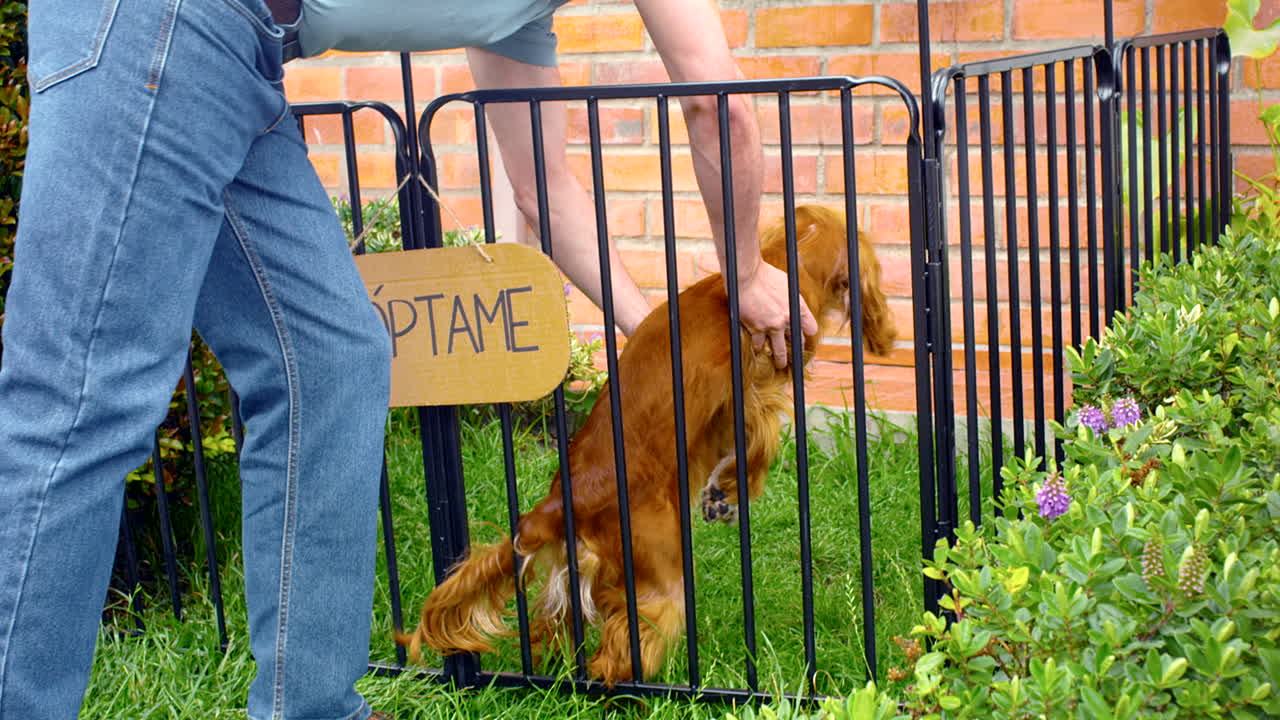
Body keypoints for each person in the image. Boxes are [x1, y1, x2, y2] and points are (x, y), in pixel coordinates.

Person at [0, 1, 395, 719]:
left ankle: (309, 709)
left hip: (243, 50)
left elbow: (539, 182)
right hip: (158, 20)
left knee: (332, 360)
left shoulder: (531, 20)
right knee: (83, 394)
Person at [293, 0, 819, 365]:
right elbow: (718, 105)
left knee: (325, 363)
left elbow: (542, 191)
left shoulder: (514, 16)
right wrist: (746, 274)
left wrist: (656, 340)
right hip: (223, 32)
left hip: (260, 51)